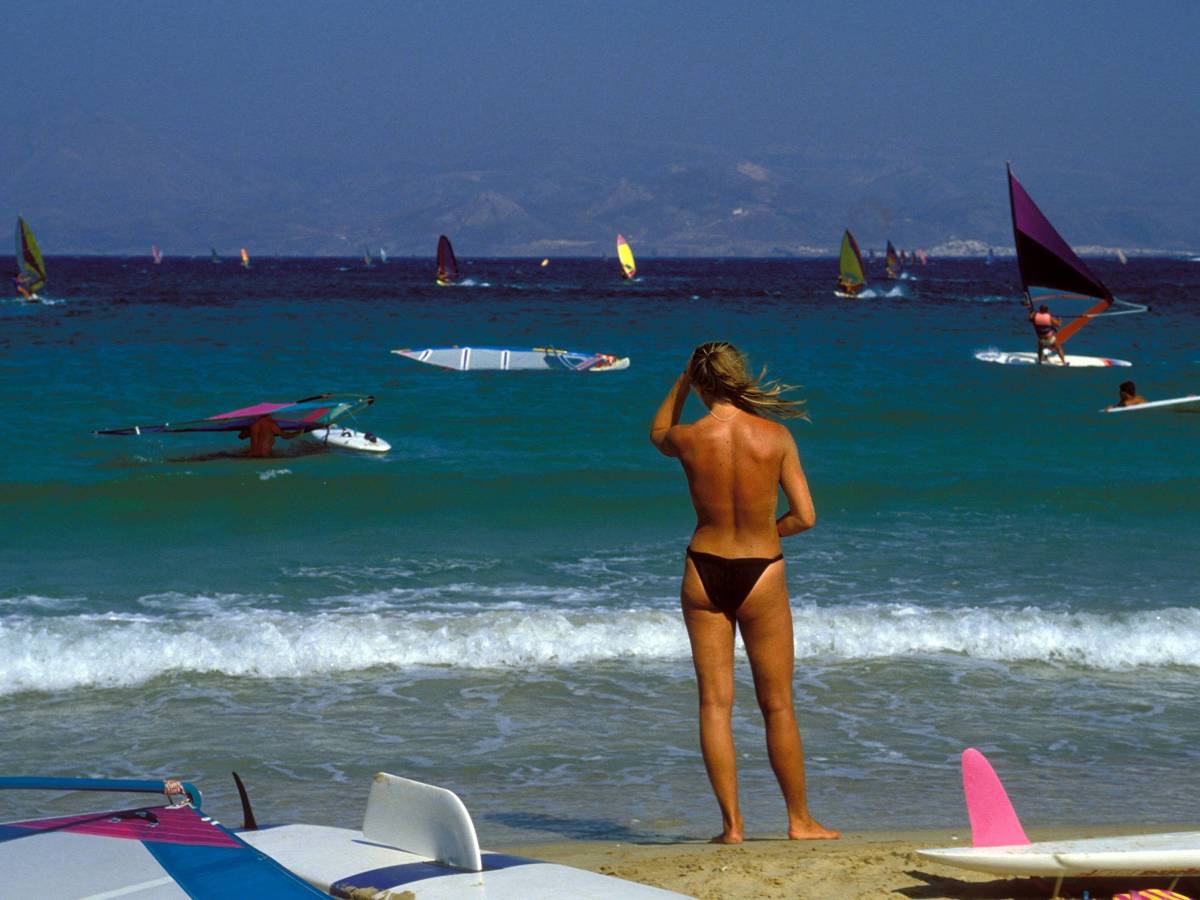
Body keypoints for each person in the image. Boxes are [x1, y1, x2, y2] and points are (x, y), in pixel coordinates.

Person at [650, 342, 839, 844]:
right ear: (739, 377)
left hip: (703, 568)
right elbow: (805, 516)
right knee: (777, 705)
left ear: (702, 381)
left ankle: (731, 827)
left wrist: (682, 380)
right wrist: (766, 533)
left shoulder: (689, 438)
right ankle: (800, 821)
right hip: (761, 570)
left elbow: (657, 433)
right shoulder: (775, 437)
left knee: (715, 703)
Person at [1027, 301, 1067, 365]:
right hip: (1050, 339)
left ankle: (1039, 361)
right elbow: (1058, 324)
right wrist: (1059, 319)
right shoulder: (1049, 317)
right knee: (1058, 348)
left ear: (1040, 310)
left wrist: (1032, 312)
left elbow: (1030, 318)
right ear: (1047, 310)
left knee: (1040, 347)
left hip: (1041, 339)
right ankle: (1064, 362)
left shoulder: (1035, 317)